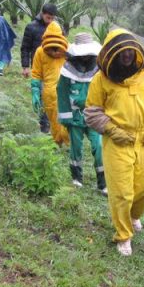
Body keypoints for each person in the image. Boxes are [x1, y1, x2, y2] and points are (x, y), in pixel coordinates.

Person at [84, 29, 144, 256]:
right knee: (121, 192)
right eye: (123, 52)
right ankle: (124, 236)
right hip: (117, 141)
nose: (128, 55)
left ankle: (134, 215)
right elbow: (92, 112)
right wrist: (112, 130)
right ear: (113, 53)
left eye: (130, 50)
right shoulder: (101, 80)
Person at [57, 33, 106, 194]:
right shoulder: (67, 69)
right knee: (75, 147)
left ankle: (103, 183)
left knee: (99, 146)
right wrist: (66, 118)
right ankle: (76, 178)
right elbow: (62, 93)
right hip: (75, 116)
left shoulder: (99, 69)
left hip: (94, 116)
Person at [21, 3, 58, 134]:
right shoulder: (31, 27)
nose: (50, 21)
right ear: (42, 14)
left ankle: (53, 124)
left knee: (54, 97)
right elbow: (25, 47)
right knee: (43, 97)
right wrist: (25, 66)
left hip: (54, 69)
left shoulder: (56, 28)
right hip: (39, 68)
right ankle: (45, 126)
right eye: (48, 18)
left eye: (53, 18)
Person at [31, 22, 70, 145]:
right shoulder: (40, 52)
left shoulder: (68, 51)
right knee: (54, 120)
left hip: (66, 91)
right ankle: (58, 143)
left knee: (66, 120)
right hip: (50, 93)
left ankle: (68, 143)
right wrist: (35, 91)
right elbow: (36, 73)